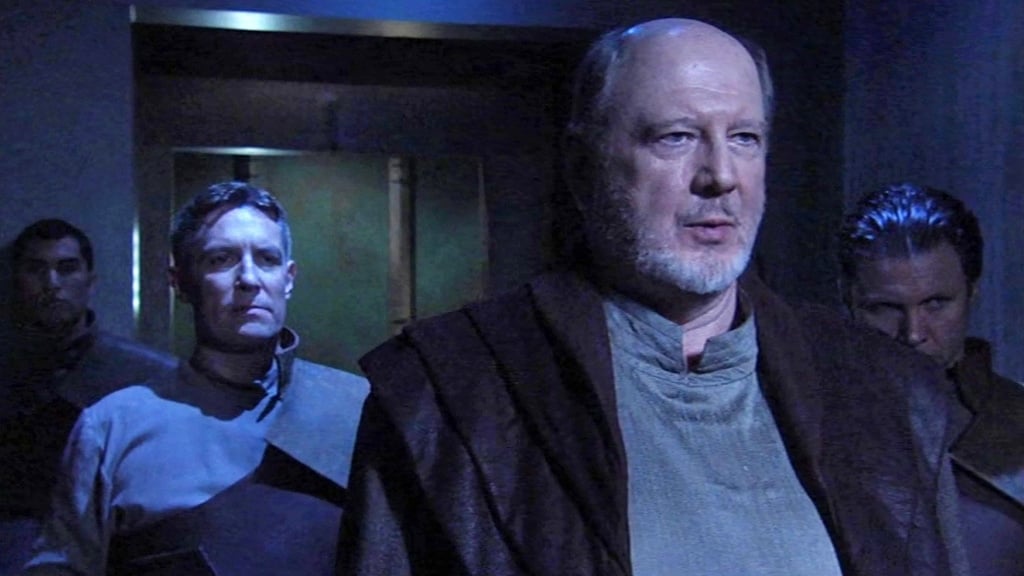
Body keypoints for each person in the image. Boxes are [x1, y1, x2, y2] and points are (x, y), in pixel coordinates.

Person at [338, 18, 965, 576]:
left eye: (744, 137)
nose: (720, 176)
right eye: (677, 136)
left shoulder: (885, 393)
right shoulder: (448, 391)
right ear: (584, 164)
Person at [23, 182, 369, 575]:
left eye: (267, 259)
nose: (249, 278)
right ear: (180, 282)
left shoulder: (353, 407)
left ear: (288, 279)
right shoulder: (114, 425)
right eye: (221, 259)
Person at [839, 182, 1024, 575]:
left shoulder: (1014, 424)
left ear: (971, 292)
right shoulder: (808, 423)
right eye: (885, 308)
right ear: (849, 299)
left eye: (935, 304)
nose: (912, 333)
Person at [0, 219, 176, 575]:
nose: (52, 283)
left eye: (66, 269)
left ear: (89, 281)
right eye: (37, 269)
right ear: (17, 280)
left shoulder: (145, 373)